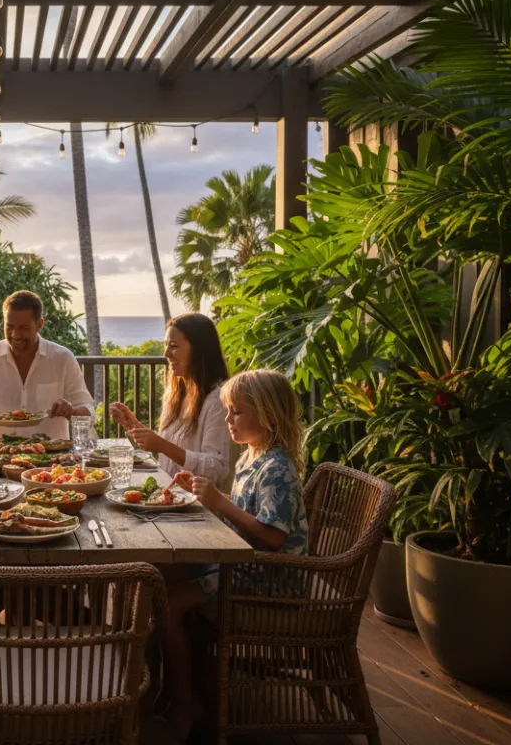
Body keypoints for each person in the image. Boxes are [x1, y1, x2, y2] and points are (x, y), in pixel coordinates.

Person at [158, 369, 310, 739]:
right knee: (163, 576)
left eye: (236, 412)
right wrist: (205, 493)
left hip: (267, 579)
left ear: (268, 413)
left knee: (167, 606)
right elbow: (244, 516)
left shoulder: (277, 468)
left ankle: (183, 701)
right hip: (242, 564)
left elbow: (273, 537)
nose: (227, 420)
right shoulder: (252, 456)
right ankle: (180, 687)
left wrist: (219, 503)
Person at [109, 313, 235, 491]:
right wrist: (134, 426)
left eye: (173, 346)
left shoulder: (219, 401)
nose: (166, 353)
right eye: (166, 345)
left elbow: (216, 469)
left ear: (199, 350)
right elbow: (169, 453)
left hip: (199, 509)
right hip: (168, 496)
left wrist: (163, 446)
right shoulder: (177, 394)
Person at [0, 290, 94, 439]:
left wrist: (72, 412)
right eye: (9, 327)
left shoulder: (63, 358)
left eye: (23, 328)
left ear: (39, 325)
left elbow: (89, 412)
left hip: (53, 458)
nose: (15, 335)